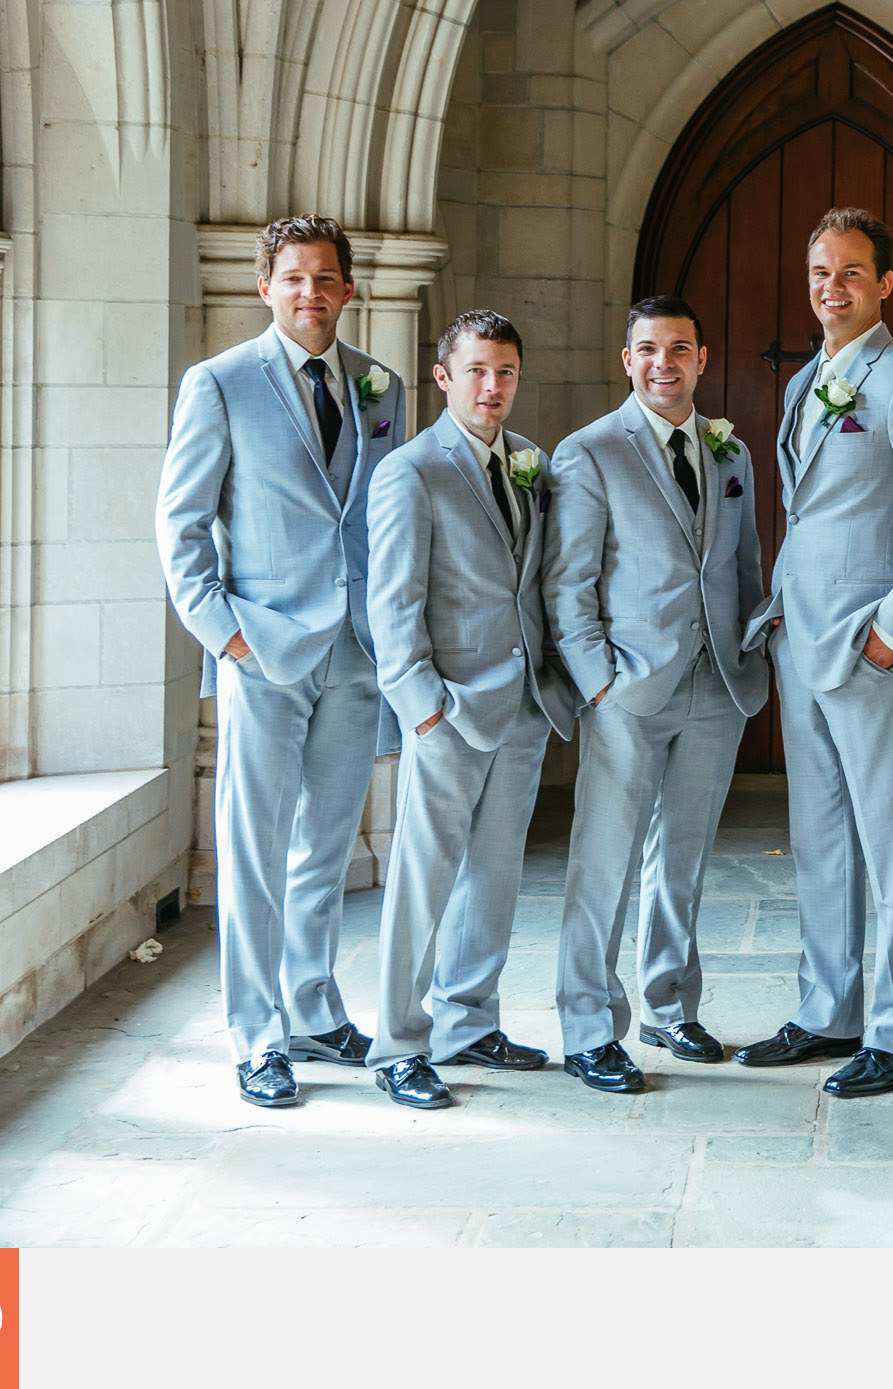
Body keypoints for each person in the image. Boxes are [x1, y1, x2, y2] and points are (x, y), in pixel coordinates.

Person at [156, 215, 406, 1110]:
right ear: (266, 286)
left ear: (348, 288)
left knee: (327, 844)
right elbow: (180, 525)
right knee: (254, 850)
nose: (312, 293)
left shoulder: (383, 387)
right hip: (261, 648)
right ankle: (257, 1036)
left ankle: (311, 1003)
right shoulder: (219, 382)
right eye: (294, 278)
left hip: (354, 652)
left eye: (327, 278)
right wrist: (227, 634)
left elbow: (380, 517)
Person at [734, 207, 893, 1097]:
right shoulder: (811, 380)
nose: (830, 286)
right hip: (800, 644)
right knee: (821, 839)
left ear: (884, 284)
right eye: (818, 271)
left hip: (872, 650)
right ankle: (829, 1008)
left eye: (848, 271)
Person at [543, 296, 768, 1094]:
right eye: (648, 349)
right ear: (627, 359)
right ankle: (587, 1025)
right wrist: (599, 680)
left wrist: (749, 649)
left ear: (702, 359)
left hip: (715, 683)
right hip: (629, 688)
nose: (663, 362)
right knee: (604, 859)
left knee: (683, 856)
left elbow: (742, 566)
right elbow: (566, 582)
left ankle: (670, 1003)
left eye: (680, 347)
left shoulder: (730, 453)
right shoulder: (590, 452)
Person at [363, 310, 580, 1110]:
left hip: (522, 706)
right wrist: (424, 707)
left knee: (495, 875)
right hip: (448, 709)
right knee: (423, 878)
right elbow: (392, 605)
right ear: (444, 377)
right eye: (478, 371)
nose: (494, 387)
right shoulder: (411, 472)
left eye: (507, 372)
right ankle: (398, 1041)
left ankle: (468, 1019)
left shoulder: (530, 461)